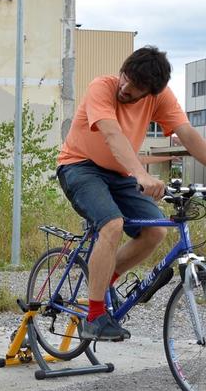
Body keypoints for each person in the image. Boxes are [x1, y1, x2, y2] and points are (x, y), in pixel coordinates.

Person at [57, 45, 206, 341]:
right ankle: (95, 316)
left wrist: (134, 172)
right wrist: (140, 173)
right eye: (125, 76)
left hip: (120, 174)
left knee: (155, 232)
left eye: (135, 87)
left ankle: (104, 279)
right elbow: (112, 134)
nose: (125, 87)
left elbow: (187, 133)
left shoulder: (160, 98)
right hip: (80, 166)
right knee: (112, 224)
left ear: (150, 92)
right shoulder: (102, 87)